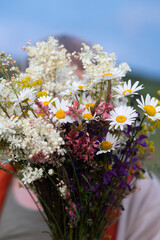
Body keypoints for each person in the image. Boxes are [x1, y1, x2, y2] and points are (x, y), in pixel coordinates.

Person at [1, 35, 160, 240]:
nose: (67, 107)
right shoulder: (4, 179)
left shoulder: (140, 193)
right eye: (48, 92)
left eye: (77, 92)